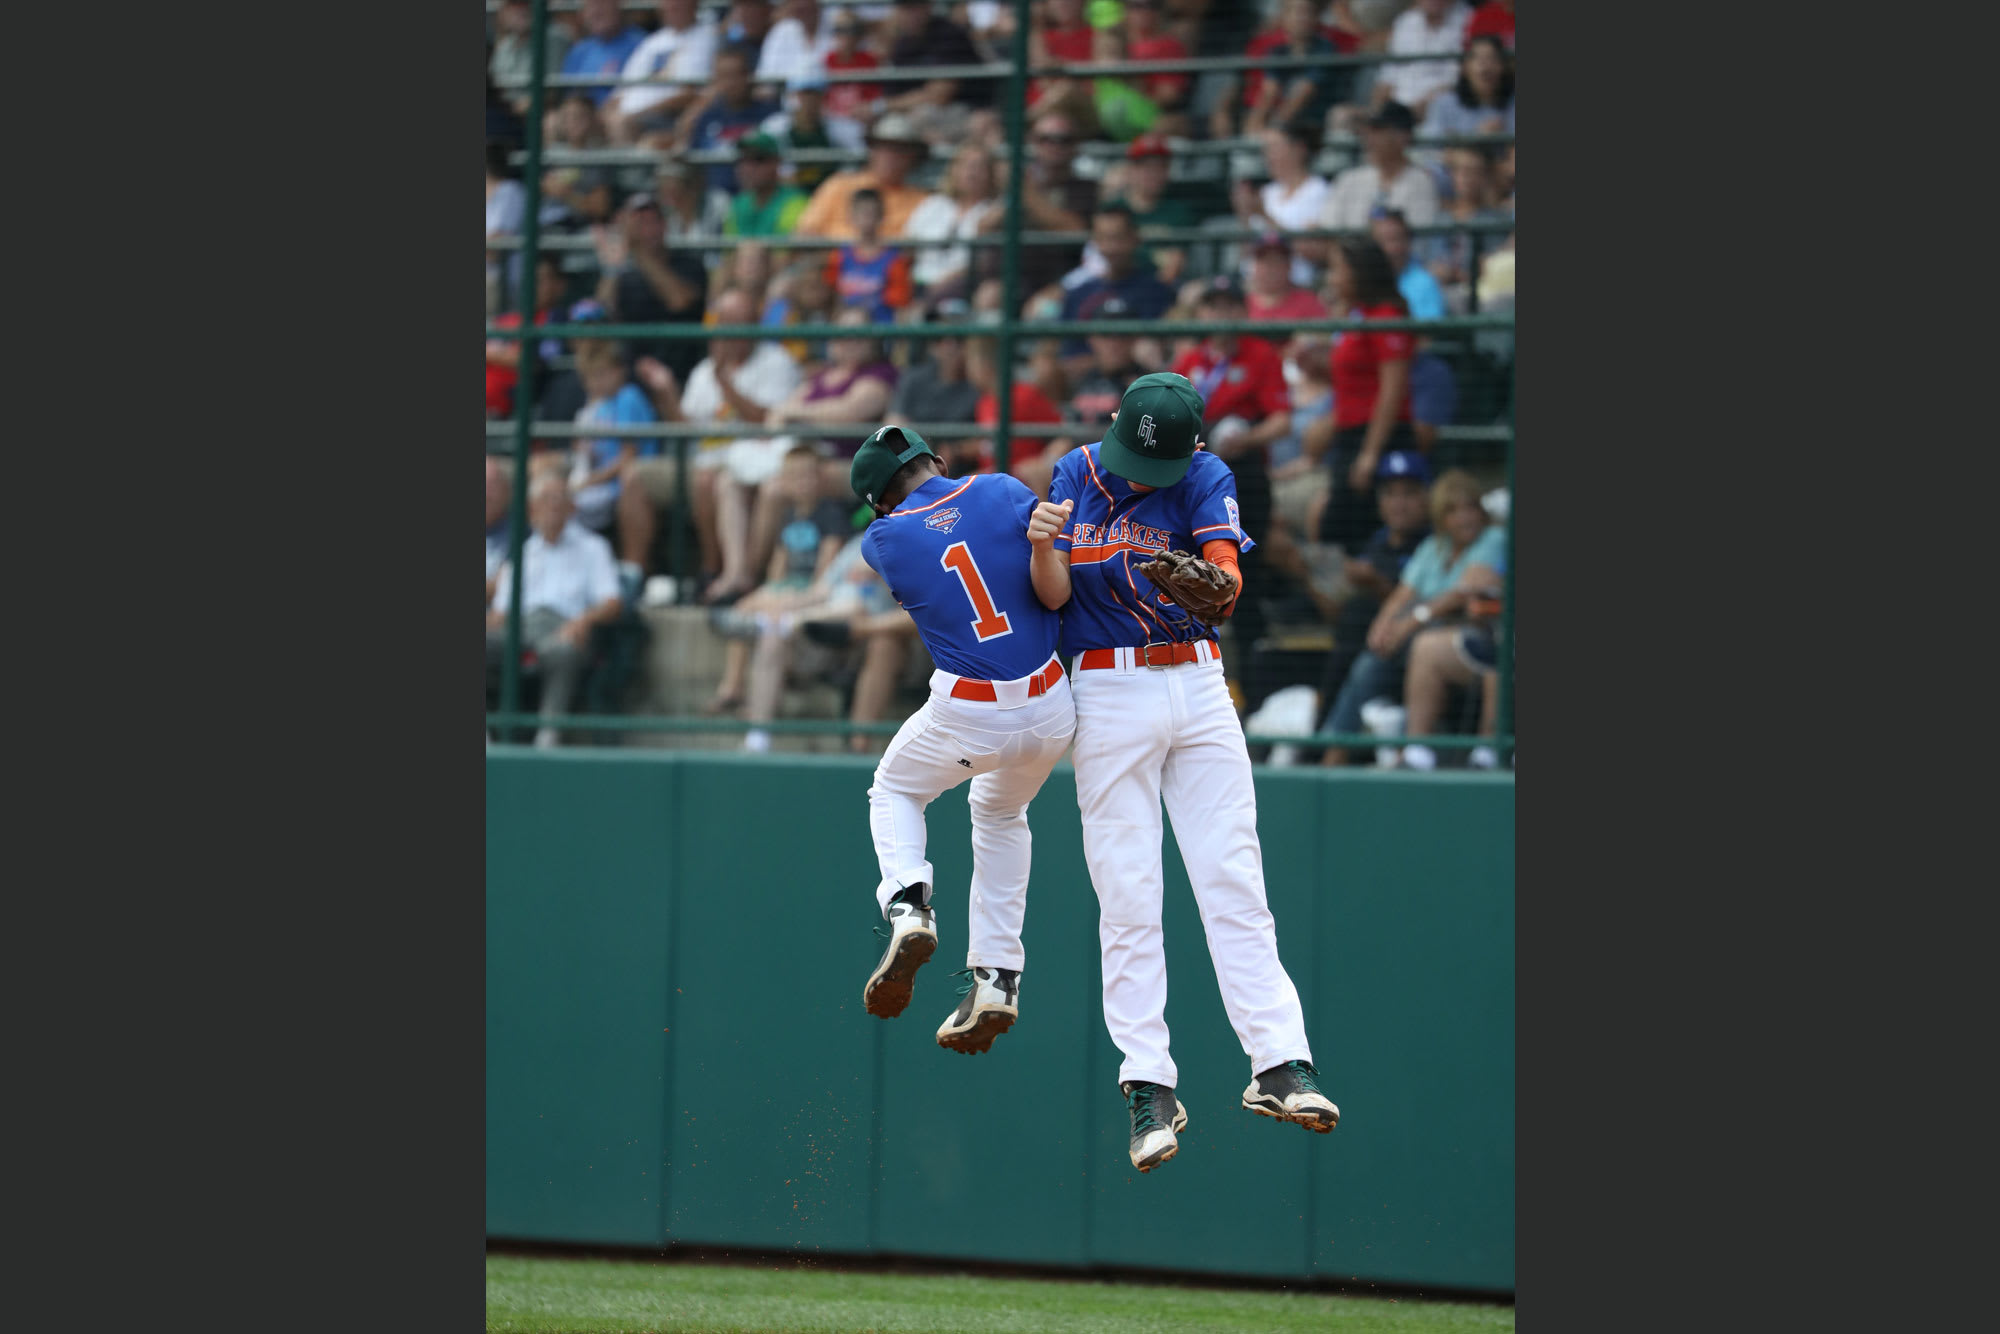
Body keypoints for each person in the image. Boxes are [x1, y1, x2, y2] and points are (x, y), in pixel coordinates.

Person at [1032, 374, 1339, 1173]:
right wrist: (1040, 544)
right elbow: (1052, 591)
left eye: (1155, 463)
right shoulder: (1076, 472)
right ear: (1115, 427)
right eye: (1134, 455)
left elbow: (1226, 582)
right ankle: (1148, 1086)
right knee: (1128, 892)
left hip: (1199, 683)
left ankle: (1278, 1063)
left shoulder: (1205, 474)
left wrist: (1215, 587)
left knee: (1233, 878)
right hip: (1105, 683)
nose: (1141, 475)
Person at [850, 426, 1077, 1055]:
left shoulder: (882, 540)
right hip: (1053, 703)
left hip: (969, 713)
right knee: (1001, 812)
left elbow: (928, 549)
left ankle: (908, 905)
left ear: (879, 501)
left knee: (894, 788)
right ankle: (998, 976)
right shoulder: (1002, 489)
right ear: (937, 461)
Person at [1316, 466, 1502, 766]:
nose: (1465, 517)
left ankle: (1414, 750)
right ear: (1442, 517)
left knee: (1415, 647)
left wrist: (1409, 622)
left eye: (1471, 508)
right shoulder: (1434, 547)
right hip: (1417, 636)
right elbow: (1401, 594)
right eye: (1454, 510)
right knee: (1369, 661)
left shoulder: (1493, 539)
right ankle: (1332, 756)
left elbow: (1462, 591)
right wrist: (1382, 626)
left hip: (1468, 635)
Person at [626, 287, 803, 598]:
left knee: (709, 479)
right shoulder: (703, 371)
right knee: (635, 477)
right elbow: (687, 429)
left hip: (749, 462)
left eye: (739, 322)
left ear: (754, 325)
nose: (730, 332)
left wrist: (725, 383)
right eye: (725, 322)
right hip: (700, 459)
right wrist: (666, 393)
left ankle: (713, 569)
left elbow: (769, 422)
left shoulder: (777, 362)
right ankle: (632, 576)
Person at [1169, 278, 1293, 709]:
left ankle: (1252, 696)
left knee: (1245, 577)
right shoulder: (1191, 360)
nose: (1219, 314)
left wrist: (1249, 437)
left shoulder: (1260, 355)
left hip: (1244, 478)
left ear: (1241, 310)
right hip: (1193, 476)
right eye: (1211, 305)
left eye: (1228, 305)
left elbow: (1282, 421)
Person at [707, 443, 854, 717]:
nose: (801, 483)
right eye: (794, 477)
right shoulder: (788, 515)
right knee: (744, 608)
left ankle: (758, 695)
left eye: (807, 475)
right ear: (784, 482)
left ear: (820, 478)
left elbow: (826, 571)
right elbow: (779, 566)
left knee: (766, 615)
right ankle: (733, 685)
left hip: (813, 590)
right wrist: (769, 592)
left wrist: (788, 598)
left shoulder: (831, 515)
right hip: (789, 587)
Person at [487, 472, 625, 748]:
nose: (552, 506)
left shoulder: (593, 547)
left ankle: (548, 737)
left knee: (563, 650)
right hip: (520, 630)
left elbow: (613, 603)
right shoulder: (521, 552)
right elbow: (501, 613)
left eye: (559, 499)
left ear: (572, 508)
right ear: (531, 509)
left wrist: (584, 620)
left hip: (565, 628)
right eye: (545, 499)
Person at [1309, 447, 1430, 756]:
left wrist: (1376, 583)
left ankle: (1328, 743)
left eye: (1409, 493)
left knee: (1358, 620)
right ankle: (1323, 736)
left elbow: (1423, 604)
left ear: (1427, 497)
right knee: (1351, 619)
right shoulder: (1378, 541)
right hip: (1361, 638)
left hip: (1405, 644)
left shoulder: (1432, 544)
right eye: (1390, 493)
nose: (1398, 504)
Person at [1307, 236, 1415, 553]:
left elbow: (1392, 390)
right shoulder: (1359, 316)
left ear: (1359, 272)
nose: (1332, 278)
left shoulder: (1387, 317)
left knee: (1350, 529)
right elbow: (1355, 379)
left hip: (1378, 439)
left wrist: (1370, 454)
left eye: (1337, 269)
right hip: (1349, 436)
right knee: (1340, 529)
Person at [568, 340, 659, 594]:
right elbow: (587, 448)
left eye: (601, 374)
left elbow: (628, 457)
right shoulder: (598, 406)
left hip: (625, 480)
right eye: (589, 378)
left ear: (619, 370)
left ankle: (630, 574)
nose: (594, 383)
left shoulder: (629, 397)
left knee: (577, 499)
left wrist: (591, 481)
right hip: (602, 483)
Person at [593, 192, 711, 385]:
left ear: (665, 225)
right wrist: (611, 269)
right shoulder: (625, 273)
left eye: (653, 221)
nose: (648, 230)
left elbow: (679, 301)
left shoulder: (689, 263)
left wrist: (638, 249)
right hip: (633, 377)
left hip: (682, 375)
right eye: (639, 224)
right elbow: (600, 314)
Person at [793, 112, 932, 240]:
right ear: (871, 151)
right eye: (883, 148)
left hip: (894, 266)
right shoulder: (838, 185)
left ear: (913, 157)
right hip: (833, 264)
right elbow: (805, 233)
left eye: (900, 150)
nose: (890, 156)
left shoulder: (922, 202)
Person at [900, 146, 1004, 310]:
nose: (972, 173)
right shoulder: (934, 204)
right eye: (966, 166)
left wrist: (947, 282)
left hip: (964, 288)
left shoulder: (994, 212)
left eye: (979, 167)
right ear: (954, 170)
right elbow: (907, 247)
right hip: (919, 283)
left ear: (991, 175)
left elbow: (984, 264)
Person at [880, 0, 994, 144]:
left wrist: (884, 106)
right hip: (916, 114)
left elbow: (940, 94)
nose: (908, 14)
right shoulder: (901, 44)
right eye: (903, 8)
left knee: (921, 118)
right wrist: (891, 106)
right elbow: (893, 96)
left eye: (913, 7)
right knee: (890, 128)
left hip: (964, 110)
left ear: (928, 7)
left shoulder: (950, 34)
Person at [676, 45, 783, 193]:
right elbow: (694, 165)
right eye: (723, 76)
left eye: (735, 75)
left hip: (759, 198)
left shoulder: (770, 115)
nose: (730, 83)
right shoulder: (706, 118)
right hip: (713, 199)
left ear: (748, 76)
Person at [604, 0, 717, 140]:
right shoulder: (652, 42)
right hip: (628, 117)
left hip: (668, 118)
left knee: (622, 124)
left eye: (678, 3)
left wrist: (637, 114)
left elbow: (690, 93)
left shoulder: (707, 37)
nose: (672, 6)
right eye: (667, 2)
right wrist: (605, 114)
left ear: (693, 4)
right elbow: (621, 91)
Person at [1319, 101, 1440, 230]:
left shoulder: (1420, 182)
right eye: (1368, 130)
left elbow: (1417, 243)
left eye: (1378, 130)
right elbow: (1328, 232)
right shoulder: (1349, 180)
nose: (1369, 138)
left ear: (1403, 136)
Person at [758, 72, 867, 196]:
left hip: (830, 194)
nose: (808, 101)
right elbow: (763, 166)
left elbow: (858, 164)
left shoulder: (844, 128)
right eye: (803, 94)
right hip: (787, 195)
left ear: (822, 97)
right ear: (791, 96)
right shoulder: (773, 127)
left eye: (814, 95)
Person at [824, 189, 915, 324]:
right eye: (862, 213)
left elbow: (899, 307)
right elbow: (831, 298)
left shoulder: (894, 260)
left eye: (871, 213)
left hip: (880, 331)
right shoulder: (839, 256)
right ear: (851, 217)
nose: (866, 219)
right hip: (845, 330)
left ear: (881, 217)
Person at [1379, 0, 1473, 121]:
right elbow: (1388, 77)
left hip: (1441, 109)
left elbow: (1456, 80)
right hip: (1398, 110)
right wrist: (1377, 112)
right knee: (1349, 117)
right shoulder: (1405, 21)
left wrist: (1419, 108)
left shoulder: (1468, 20)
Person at [1419, 34, 1515, 140]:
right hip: (1460, 155)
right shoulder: (1444, 104)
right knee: (1460, 154)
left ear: (1503, 67)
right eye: (1477, 59)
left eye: (1492, 58)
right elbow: (1431, 149)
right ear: (1464, 67)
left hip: (1506, 156)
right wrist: (1476, 138)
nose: (1486, 66)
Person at [491, 0, 573, 120]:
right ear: (503, 13)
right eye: (513, 6)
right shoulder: (504, 46)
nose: (520, 11)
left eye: (525, 4)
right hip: (504, 113)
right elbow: (494, 85)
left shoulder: (555, 38)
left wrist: (524, 104)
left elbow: (552, 91)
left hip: (540, 114)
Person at [559, 0, 647, 108]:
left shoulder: (642, 45)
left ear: (618, 6)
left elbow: (640, 93)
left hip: (620, 113)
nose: (596, 11)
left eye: (603, 4)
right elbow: (569, 94)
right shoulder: (580, 51)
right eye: (591, 6)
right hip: (582, 115)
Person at [722, 133, 809, 238]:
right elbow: (728, 253)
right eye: (742, 159)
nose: (747, 168)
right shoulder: (738, 204)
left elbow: (788, 253)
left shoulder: (796, 202)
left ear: (777, 162)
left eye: (758, 159)